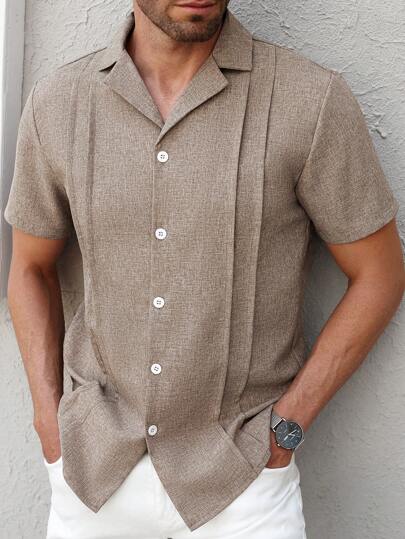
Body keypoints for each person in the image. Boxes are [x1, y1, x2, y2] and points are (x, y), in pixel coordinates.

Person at [4, 1, 404, 538]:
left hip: (244, 485)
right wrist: (48, 420)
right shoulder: (60, 102)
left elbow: (380, 274)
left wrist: (287, 428)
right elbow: (30, 267)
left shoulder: (309, 100)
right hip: (94, 475)